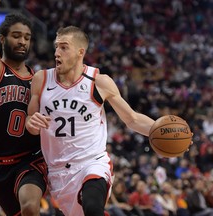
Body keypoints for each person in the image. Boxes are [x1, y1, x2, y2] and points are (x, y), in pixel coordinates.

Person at [26, 26, 156, 216]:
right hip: (58, 172)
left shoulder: (98, 81)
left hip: (92, 163)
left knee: (93, 208)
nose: (56, 53)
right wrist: (31, 122)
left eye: (64, 47)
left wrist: (159, 130)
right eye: (56, 47)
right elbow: (31, 123)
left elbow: (132, 119)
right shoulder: (42, 79)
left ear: (80, 52)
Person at [0, 0, 47, 215]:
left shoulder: (39, 79)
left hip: (30, 159)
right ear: (2, 38)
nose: (22, 41)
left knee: (30, 207)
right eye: (16, 36)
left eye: (27, 37)